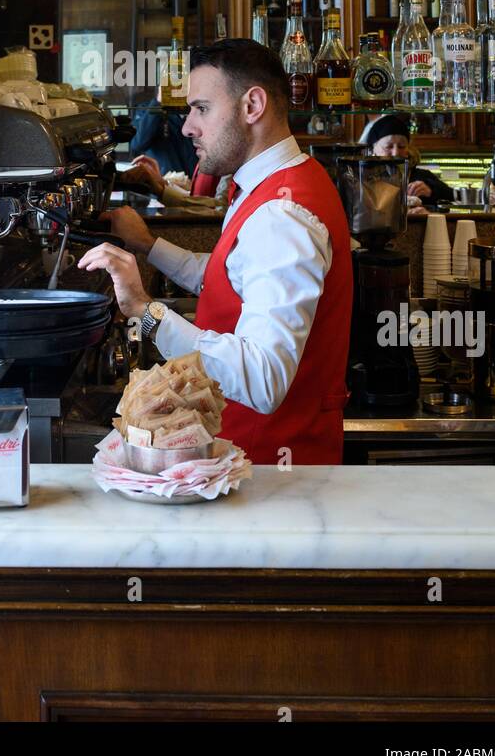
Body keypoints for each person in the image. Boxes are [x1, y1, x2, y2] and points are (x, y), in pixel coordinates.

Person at [78, 38, 353, 465]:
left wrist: (145, 311)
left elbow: (264, 379)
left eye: (201, 108)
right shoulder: (289, 179)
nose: (188, 127)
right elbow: (233, 274)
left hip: (271, 472)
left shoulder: (282, 215)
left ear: (252, 105)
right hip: (260, 464)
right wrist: (148, 246)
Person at [360, 114, 454, 208]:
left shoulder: (421, 177)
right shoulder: (361, 178)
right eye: (389, 146)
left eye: (401, 146)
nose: (395, 153)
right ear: (372, 149)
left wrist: (432, 191)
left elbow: (453, 196)